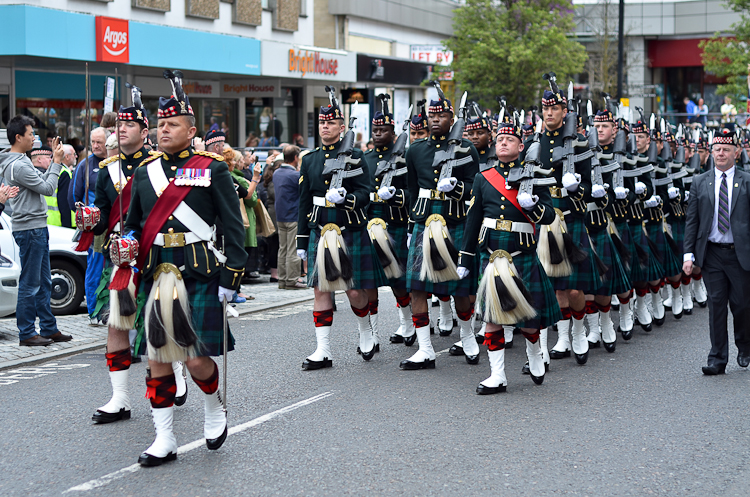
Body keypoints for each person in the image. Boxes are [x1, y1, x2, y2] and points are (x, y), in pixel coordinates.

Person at [124, 70, 246, 466]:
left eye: (172, 123)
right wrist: (123, 244)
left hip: (199, 270)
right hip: (159, 272)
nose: (163, 129)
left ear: (190, 130)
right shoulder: (145, 172)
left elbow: (232, 225)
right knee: (156, 357)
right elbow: (134, 224)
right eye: (159, 123)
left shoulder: (213, 168)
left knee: (195, 358)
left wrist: (232, 277)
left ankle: (213, 406)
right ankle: (165, 438)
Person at [457, 114, 560, 393]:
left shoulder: (534, 175)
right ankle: (498, 374)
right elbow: (472, 220)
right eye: (500, 139)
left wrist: (534, 205)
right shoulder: (483, 177)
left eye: (510, 139)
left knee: (528, 320)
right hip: (491, 254)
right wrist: (464, 258)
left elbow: (549, 216)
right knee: (493, 317)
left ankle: (535, 353)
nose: (504, 143)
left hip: (521, 253)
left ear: (520, 146)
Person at [296, 86, 384, 369]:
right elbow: (303, 201)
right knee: (321, 290)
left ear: (342, 127)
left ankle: (366, 330)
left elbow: (367, 193)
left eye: (331, 122)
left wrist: (347, 199)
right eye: (322, 122)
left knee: (354, 292)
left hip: (348, 229)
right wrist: (300, 240)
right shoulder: (309, 159)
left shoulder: (357, 157)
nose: (325, 126)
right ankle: (323, 349)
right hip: (320, 229)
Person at [401, 83, 479, 369]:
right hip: (424, 219)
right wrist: (411, 226)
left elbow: (474, 188)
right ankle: (425, 349)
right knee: (417, 288)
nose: (435, 120)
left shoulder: (466, 148)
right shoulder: (415, 151)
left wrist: (457, 186)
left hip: (454, 218)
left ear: (451, 119)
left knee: (459, 287)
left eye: (441, 116)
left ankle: (468, 336)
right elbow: (411, 190)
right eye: (431, 116)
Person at [535, 74, 599, 366]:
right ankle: (562, 336)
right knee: (556, 285)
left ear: (564, 112)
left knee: (573, 288)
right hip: (546, 218)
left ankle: (578, 330)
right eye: (545, 109)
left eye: (554, 109)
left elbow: (591, 188)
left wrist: (577, 187)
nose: (549, 113)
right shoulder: (534, 145)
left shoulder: (580, 143)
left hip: (571, 216)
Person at [0, 115, 73, 346]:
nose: (35, 138)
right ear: (18, 137)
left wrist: (51, 163)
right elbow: (48, 188)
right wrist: (57, 162)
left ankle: (49, 328)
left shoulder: (19, 161)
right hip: (31, 228)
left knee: (44, 282)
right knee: (31, 283)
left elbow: (40, 182)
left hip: (35, 227)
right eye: (31, 134)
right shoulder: (19, 164)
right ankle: (27, 333)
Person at [683, 127, 750, 375]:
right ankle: (717, 358)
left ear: (737, 152)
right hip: (711, 254)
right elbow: (692, 222)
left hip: (740, 254)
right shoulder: (700, 182)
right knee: (716, 304)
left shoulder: (747, 181)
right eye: (717, 150)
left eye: (726, 150)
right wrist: (688, 255)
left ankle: (745, 345)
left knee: (742, 305)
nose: (720, 154)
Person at [362, 95, 413, 347]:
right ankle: (371, 332)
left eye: (383, 130)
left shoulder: (404, 157)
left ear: (393, 131)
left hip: (396, 222)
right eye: (375, 130)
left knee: (397, 278)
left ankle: (407, 323)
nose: (378, 134)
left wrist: (397, 195)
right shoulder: (364, 158)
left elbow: (413, 191)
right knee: (369, 278)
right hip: (371, 222)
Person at [69, 126, 109, 324]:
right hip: (96, 228)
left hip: (117, 225)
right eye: (92, 142)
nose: (95, 146)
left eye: (99, 142)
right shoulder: (85, 165)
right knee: (95, 269)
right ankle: (94, 311)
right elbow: (73, 198)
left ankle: (112, 311)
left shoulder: (116, 163)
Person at [274, 145, 305, 290]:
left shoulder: (277, 173)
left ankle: (282, 279)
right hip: (293, 215)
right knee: (293, 250)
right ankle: (292, 280)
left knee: (283, 249)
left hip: (280, 215)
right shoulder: (294, 175)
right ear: (295, 158)